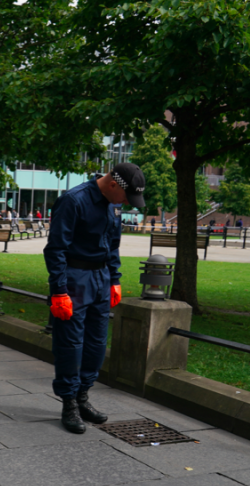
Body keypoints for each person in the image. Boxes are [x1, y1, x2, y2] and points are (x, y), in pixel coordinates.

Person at [44, 162, 146, 434]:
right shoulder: (73, 201)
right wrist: (59, 290)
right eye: (126, 196)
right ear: (113, 184)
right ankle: (69, 403)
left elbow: (113, 244)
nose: (126, 202)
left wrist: (115, 279)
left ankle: (83, 396)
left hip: (101, 278)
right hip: (75, 279)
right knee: (70, 344)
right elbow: (56, 250)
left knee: (96, 343)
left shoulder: (113, 204)